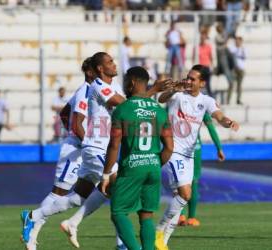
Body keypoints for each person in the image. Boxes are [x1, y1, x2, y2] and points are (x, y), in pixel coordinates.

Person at [155, 64, 239, 250]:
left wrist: (229, 122)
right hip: (172, 150)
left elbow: (219, 116)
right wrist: (172, 90)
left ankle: (162, 243)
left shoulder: (207, 101)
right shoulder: (177, 95)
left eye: (193, 79)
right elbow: (161, 98)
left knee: (180, 198)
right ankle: (158, 231)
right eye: (188, 77)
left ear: (202, 83)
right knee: (186, 193)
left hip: (188, 155)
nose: (188, 80)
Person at [20, 57, 97, 250]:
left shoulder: (94, 92)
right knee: (59, 192)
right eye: (99, 69)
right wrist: (77, 136)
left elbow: (64, 113)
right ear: (90, 72)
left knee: (81, 195)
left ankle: (34, 223)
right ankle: (31, 228)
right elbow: (74, 121)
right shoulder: (85, 91)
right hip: (76, 149)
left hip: (86, 148)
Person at [100, 66, 174, 250]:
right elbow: (170, 147)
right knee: (146, 214)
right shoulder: (160, 110)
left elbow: (114, 144)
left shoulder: (122, 110)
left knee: (118, 212)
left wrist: (106, 173)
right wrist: (155, 163)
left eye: (125, 81)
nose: (123, 84)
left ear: (132, 82)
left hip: (131, 167)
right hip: (153, 168)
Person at [178, 112, 225, 226]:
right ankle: (191, 217)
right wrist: (219, 148)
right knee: (193, 181)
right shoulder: (201, 102)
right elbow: (210, 127)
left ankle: (180, 215)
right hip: (194, 147)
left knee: (179, 181)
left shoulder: (174, 100)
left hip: (178, 146)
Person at [193, 32, 213, 97]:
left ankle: (211, 99)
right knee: (200, 84)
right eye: (201, 38)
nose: (202, 39)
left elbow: (211, 57)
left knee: (208, 85)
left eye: (203, 38)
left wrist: (212, 67)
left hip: (206, 67)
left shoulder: (208, 47)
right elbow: (194, 57)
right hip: (200, 68)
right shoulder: (197, 47)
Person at [228, 36, 246, 105]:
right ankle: (228, 100)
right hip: (234, 69)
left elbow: (244, 57)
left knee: (239, 85)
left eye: (239, 41)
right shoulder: (233, 48)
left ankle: (238, 100)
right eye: (237, 41)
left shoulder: (243, 49)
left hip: (241, 69)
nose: (238, 42)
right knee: (231, 84)